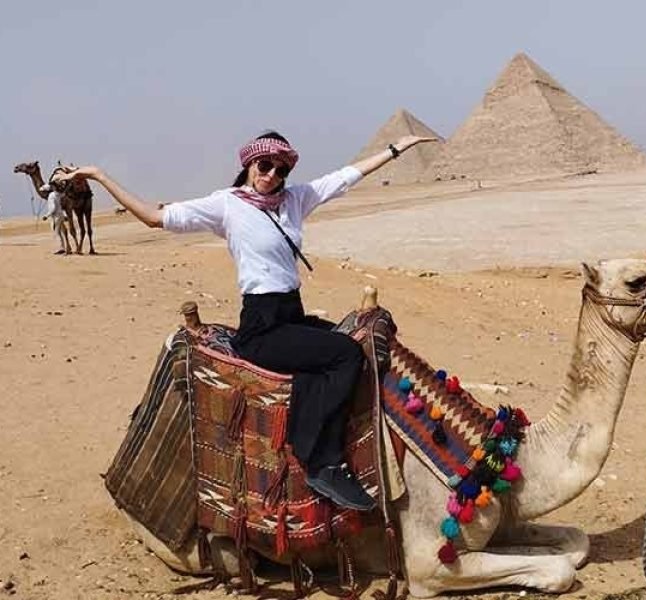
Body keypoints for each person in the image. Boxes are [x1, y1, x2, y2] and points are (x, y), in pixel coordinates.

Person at [55, 130, 437, 511]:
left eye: (280, 169)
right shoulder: (226, 205)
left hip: (292, 313)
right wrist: (98, 176)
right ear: (249, 164)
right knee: (345, 356)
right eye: (264, 165)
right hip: (263, 326)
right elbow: (155, 218)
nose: (271, 174)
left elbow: (346, 176)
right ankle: (322, 463)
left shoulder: (294, 200)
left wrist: (396, 147)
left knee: (348, 339)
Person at [39, 183, 69, 255]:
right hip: (60, 215)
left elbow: (53, 208)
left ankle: (61, 248)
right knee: (61, 231)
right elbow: (63, 195)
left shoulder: (51, 196)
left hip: (56, 216)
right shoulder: (58, 194)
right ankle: (63, 247)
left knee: (57, 232)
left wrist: (46, 216)